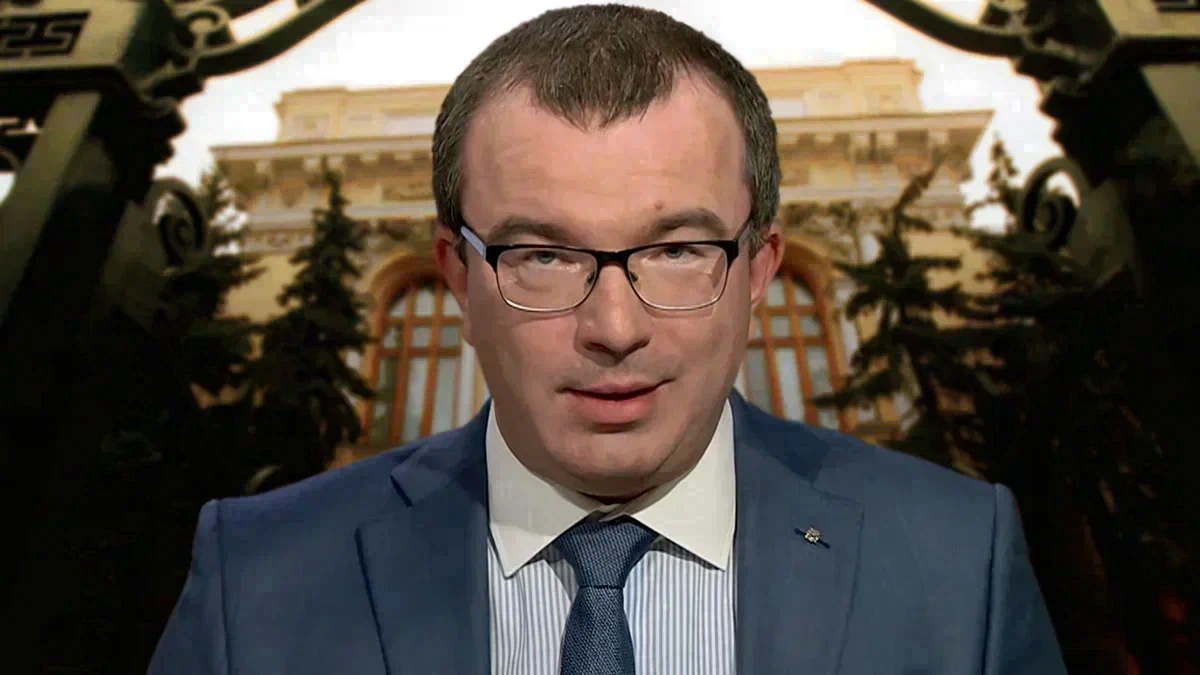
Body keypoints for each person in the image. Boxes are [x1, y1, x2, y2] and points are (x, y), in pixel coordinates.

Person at [149, 4, 1067, 674]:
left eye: (678, 250)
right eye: (543, 256)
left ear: (759, 269)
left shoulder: (958, 559)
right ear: (458, 276)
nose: (615, 329)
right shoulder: (259, 577)